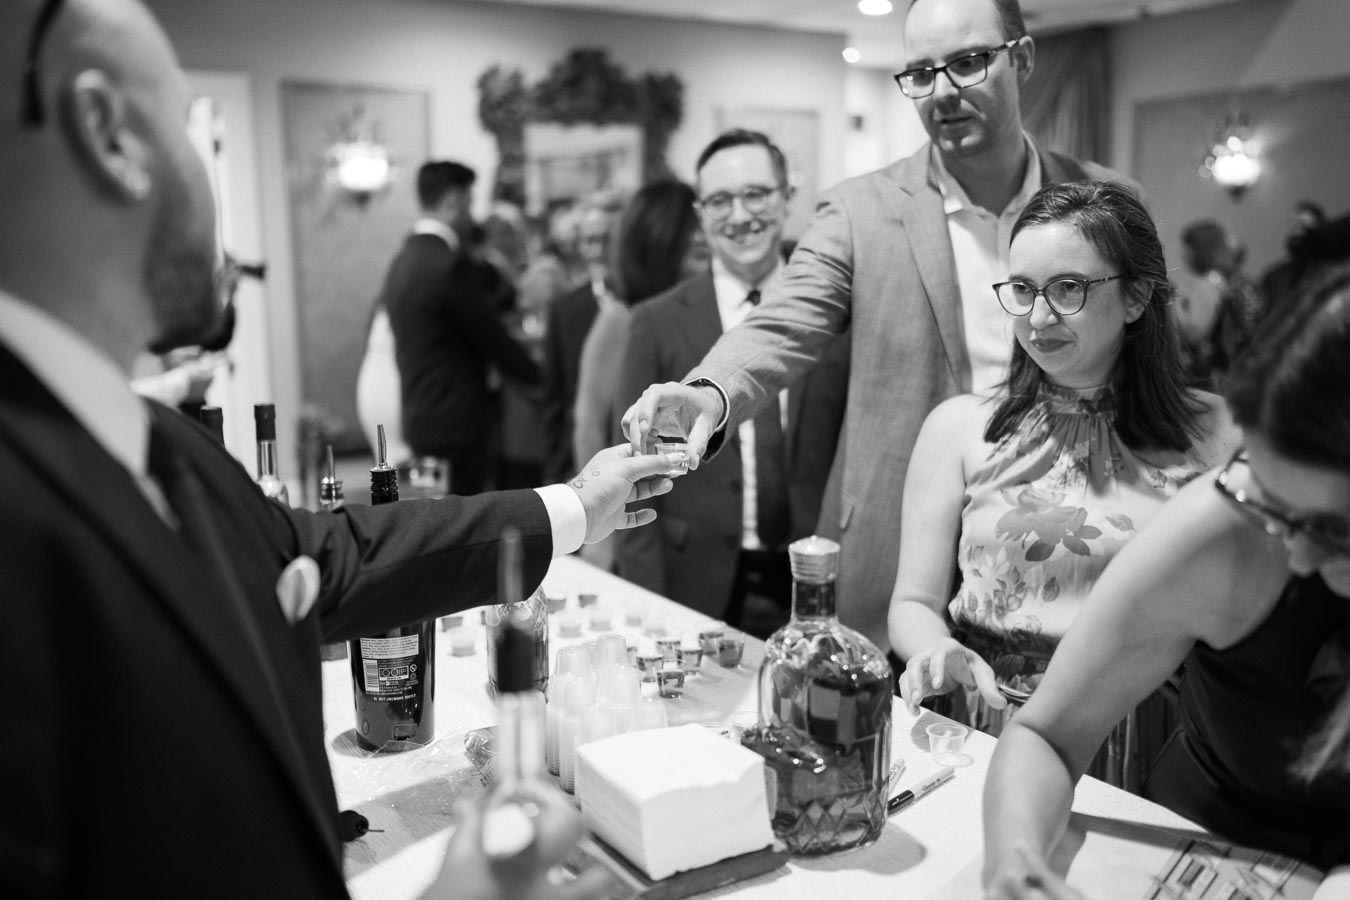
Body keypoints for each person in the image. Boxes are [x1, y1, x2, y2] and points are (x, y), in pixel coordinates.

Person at [0, 1, 676, 896]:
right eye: (183, 127)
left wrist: (578, 504)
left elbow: (336, 555)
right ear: (108, 133)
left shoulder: (156, 437)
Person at [621, 0, 1132, 653]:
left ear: (1021, 59)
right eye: (919, 73)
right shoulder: (862, 210)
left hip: (1073, 537)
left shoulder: (1107, 202)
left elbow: (1150, 359)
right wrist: (709, 392)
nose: (941, 92)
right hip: (895, 553)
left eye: (967, 62)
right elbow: (784, 319)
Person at [981, 265, 1350, 895]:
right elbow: (1045, 734)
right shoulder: (1225, 523)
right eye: (1270, 500)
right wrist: (1015, 862)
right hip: (1200, 850)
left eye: (1329, 528)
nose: (1301, 558)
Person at [888, 181, 1238, 785]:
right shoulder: (960, 428)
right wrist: (933, 647)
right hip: (985, 723)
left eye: (1068, 288)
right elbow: (913, 601)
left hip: (1146, 739)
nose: (1039, 317)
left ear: (1136, 296)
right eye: (1022, 290)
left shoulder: (1217, 434)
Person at [612, 130, 848, 634]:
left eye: (755, 194)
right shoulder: (655, 322)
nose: (739, 216)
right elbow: (630, 471)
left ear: (787, 198)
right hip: (692, 577)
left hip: (814, 574)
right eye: (719, 201)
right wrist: (646, 605)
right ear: (700, 215)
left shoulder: (835, 313)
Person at [383, 160, 539, 495]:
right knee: (464, 526)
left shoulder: (401, 261)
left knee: (435, 519)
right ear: (454, 200)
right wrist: (542, 378)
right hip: (458, 426)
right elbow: (491, 338)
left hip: (421, 419)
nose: (471, 215)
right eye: (469, 203)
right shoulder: (449, 266)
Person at [541, 189, 626, 484]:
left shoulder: (650, 303)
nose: (599, 250)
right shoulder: (565, 309)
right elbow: (555, 401)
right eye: (590, 240)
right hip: (580, 464)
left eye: (607, 239)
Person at [1173, 218, 1264, 390]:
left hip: (1213, 379)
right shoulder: (1229, 280)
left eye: (1187, 248)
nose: (1182, 253)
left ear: (1200, 250)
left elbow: (1194, 332)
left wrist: (1171, 301)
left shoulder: (1210, 283)